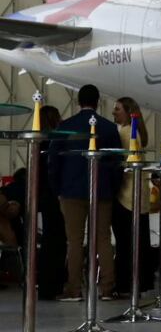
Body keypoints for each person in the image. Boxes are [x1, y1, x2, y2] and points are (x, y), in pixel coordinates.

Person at [48, 84, 123, 302]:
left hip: (71, 192)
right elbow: (118, 162)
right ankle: (107, 288)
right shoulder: (109, 128)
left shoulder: (66, 126)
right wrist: (112, 188)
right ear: (98, 101)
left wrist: (58, 188)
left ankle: (74, 289)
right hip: (102, 192)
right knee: (103, 240)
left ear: (78, 101)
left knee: (74, 240)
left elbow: (54, 161)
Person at [110, 97, 154, 293]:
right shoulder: (137, 132)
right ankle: (144, 280)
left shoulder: (125, 133)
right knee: (141, 240)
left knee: (124, 243)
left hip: (125, 194)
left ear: (128, 112)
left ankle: (125, 282)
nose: (114, 112)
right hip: (140, 193)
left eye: (117, 109)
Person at [35, 105, 66, 300]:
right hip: (57, 194)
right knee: (58, 240)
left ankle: (45, 283)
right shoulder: (57, 142)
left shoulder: (39, 143)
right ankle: (55, 283)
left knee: (48, 239)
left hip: (44, 195)